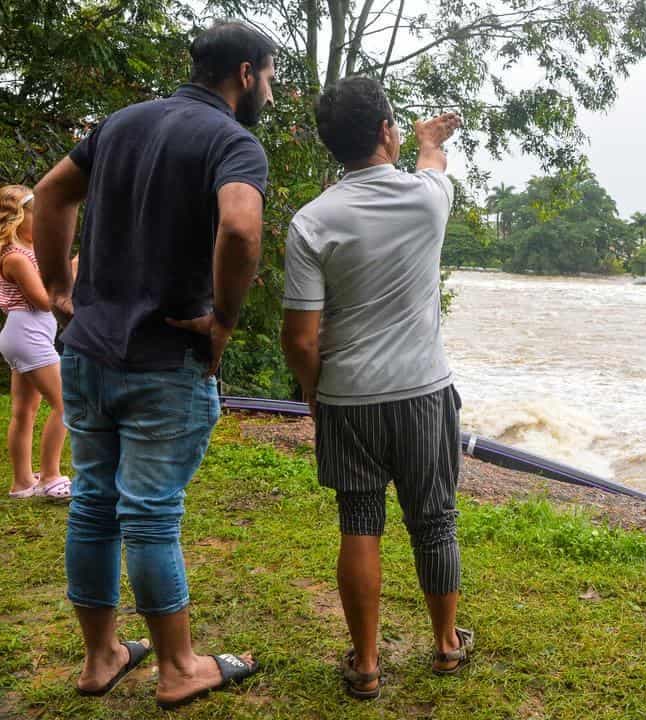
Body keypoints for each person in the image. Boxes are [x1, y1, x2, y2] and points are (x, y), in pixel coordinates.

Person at [33, 22, 273, 709]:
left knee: (95, 505)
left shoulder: (122, 123)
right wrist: (223, 320)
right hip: (165, 358)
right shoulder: (232, 142)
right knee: (151, 514)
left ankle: (101, 655)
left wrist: (59, 294)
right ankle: (177, 668)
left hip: (86, 353)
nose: (272, 93)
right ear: (248, 74)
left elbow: (50, 195)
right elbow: (242, 227)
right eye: (272, 78)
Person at [280, 76, 469, 700]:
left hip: (347, 396)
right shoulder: (427, 200)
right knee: (434, 521)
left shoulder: (311, 221)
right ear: (386, 130)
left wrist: (313, 391)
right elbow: (434, 165)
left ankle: (365, 663)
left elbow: (301, 337)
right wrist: (428, 139)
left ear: (331, 144)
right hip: (422, 392)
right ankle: (445, 646)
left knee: (359, 521)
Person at [0, 185, 70, 499]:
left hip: (27, 334)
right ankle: (51, 477)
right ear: (17, 217)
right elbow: (43, 301)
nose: (41, 219)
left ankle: (22, 482)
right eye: (34, 213)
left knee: (25, 411)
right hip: (27, 332)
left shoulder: (28, 251)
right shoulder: (14, 256)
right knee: (67, 404)